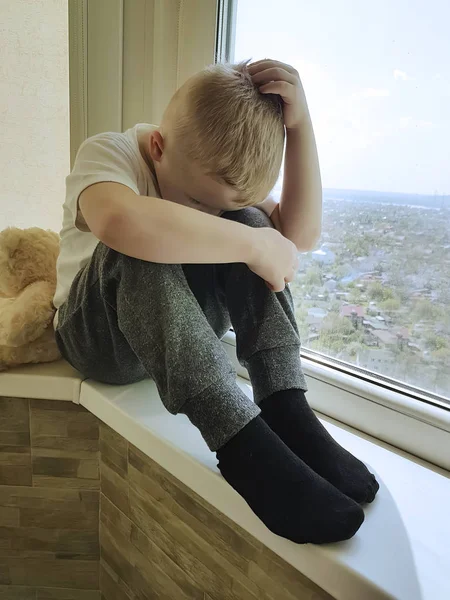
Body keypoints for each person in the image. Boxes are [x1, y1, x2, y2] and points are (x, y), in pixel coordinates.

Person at [54, 58, 378, 545]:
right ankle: (240, 445)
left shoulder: (208, 178)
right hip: (100, 338)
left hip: (177, 335)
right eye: (199, 201)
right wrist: (252, 245)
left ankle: (285, 405)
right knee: (145, 235)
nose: (209, 216)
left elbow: (299, 236)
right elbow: (118, 221)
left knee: (250, 221)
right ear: (158, 147)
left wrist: (301, 127)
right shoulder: (111, 151)